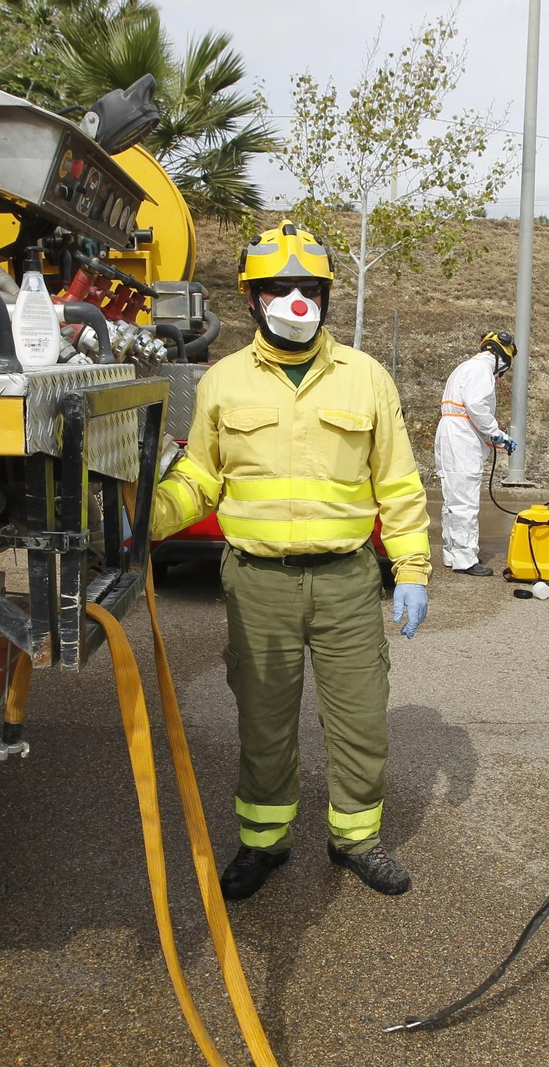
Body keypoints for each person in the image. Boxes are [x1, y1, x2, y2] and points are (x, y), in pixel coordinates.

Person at [151, 220, 432, 900]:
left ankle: (356, 837)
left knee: (362, 718)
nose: (296, 300)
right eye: (280, 287)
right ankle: (263, 842)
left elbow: (397, 483)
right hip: (259, 584)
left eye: (310, 287)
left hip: (345, 582)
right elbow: (199, 480)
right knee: (265, 724)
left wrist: (414, 569)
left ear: (328, 296)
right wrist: (143, 519)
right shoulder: (222, 382)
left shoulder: (365, 378)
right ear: (252, 300)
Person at [434, 331, 519, 575]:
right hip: (460, 437)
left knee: (452, 498)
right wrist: (497, 434)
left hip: (450, 431)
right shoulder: (482, 371)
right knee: (465, 500)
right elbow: (477, 407)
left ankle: (452, 553)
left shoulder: (465, 367)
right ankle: (465, 560)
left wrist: (494, 439)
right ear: (503, 358)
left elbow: (466, 409)